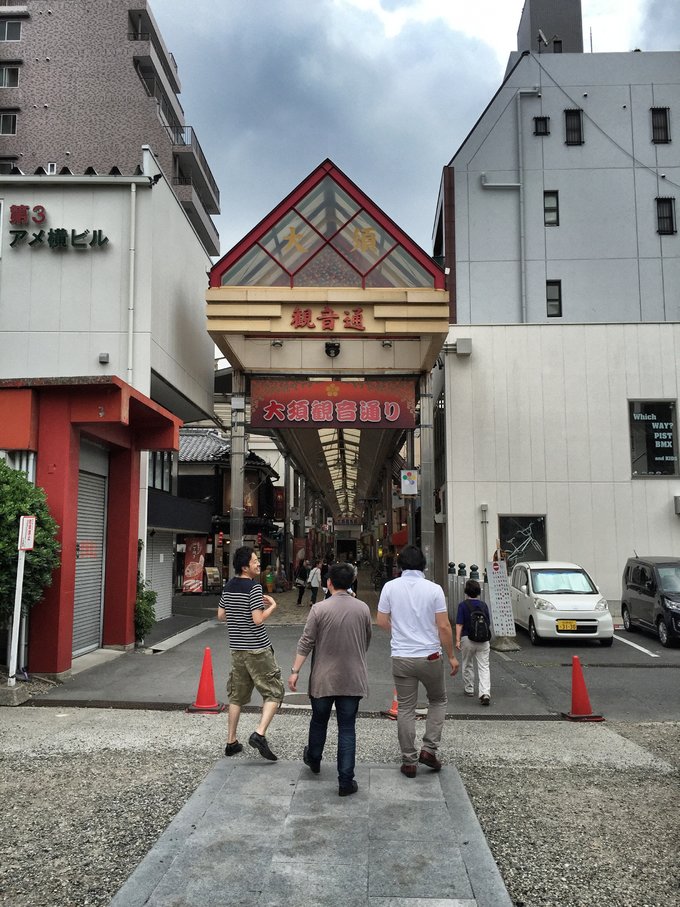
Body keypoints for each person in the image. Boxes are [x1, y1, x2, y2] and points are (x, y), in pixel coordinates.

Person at [288, 562, 371, 797]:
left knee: (319, 720)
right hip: (352, 678)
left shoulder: (319, 609)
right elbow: (366, 640)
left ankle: (314, 758)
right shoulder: (363, 609)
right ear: (352, 583)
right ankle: (346, 780)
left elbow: (306, 642)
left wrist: (295, 670)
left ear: (329, 583)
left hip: (323, 677)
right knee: (347, 728)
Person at [376, 544, 459, 777]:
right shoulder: (434, 589)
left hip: (402, 656)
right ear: (424, 565)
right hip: (430, 655)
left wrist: (400, 634)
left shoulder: (390, 587)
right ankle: (429, 749)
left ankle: (409, 760)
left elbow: (381, 620)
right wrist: (451, 656)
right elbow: (443, 626)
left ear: (400, 565)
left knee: (405, 708)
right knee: (438, 700)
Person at [217, 546, 284, 761]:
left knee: (236, 696)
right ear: (245, 567)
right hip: (257, 649)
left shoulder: (228, 587)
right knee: (274, 691)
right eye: (255, 561)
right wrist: (272, 605)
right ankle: (259, 733)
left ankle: (231, 741)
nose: (258, 564)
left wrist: (238, 617)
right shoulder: (253, 587)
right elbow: (258, 619)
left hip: (237, 649)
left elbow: (221, 615)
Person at [455, 578, 492, 705]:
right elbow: (488, 623)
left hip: (467, 638)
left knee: (467, 663)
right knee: (484, 666)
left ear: (466, 591)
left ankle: (469, 688)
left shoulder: (462, 605)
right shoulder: (483, 605)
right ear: (478, 592)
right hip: (483, 640)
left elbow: (459, 624)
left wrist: (457, 640)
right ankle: (485, 692)